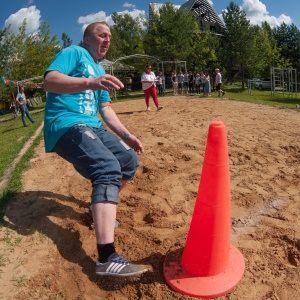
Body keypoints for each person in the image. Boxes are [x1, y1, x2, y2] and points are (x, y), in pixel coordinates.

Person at [43, 22, 148, 277]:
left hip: (93, 125)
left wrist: (126, 135)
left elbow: (106, 110)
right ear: (88, 39)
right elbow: (50, 81)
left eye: (109, 36)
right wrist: (90, 81)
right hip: (67, 123)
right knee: (106, 168)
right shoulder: (74, 53)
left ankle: (96, 210)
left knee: (128, 161)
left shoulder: (101, 69)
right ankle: (106, 257)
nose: (107, 40)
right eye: (102, 35)